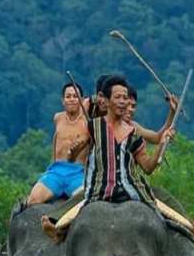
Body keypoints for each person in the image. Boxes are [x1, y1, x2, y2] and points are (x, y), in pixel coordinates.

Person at [66, 75, 175, 207]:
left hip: (131, 189)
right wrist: (73, 150)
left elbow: (147, 167)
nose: (123, 102)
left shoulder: (134, 132)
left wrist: (162, 144)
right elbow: (72, 157)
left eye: (125, 98)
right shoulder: (92, 126)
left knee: (159, 216)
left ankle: (186, 226)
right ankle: (54, 225)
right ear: (106, 101)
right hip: (99, 191)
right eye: (117, 97)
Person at [26, 83, 89, 205]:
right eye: (68, 96)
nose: (71, 99)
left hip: (77, 173)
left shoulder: (88, 121)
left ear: (82, 100)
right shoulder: (58, 118)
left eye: (75, 96)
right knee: (33, 199)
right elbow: (56, 140)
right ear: (63, 100)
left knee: (82, 200)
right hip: (56, 171)